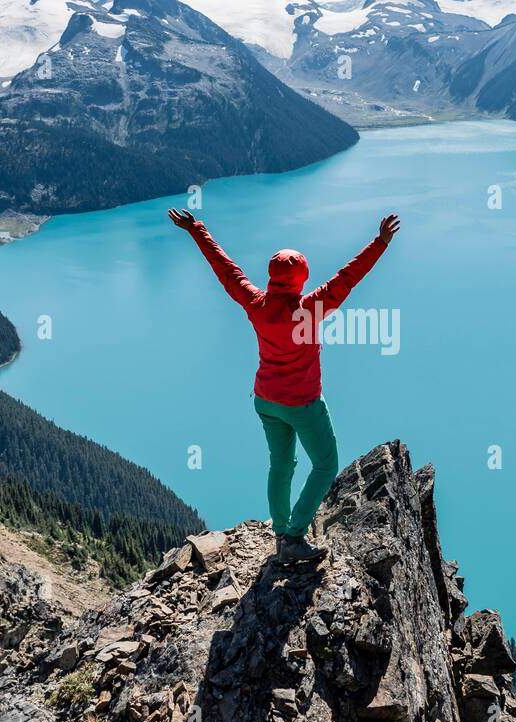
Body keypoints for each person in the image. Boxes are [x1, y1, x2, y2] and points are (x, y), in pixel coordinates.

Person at [168, 207, 400, 563]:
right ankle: (294, 535)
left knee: (281, 465)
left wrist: (196, 229)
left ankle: (281, 531)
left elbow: (226, 270)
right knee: (325, 464)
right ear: (301, 279)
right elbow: (348, 278)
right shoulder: (310, 308)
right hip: (303, 404)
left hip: (266, 400)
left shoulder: (256, 304)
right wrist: (380, 242)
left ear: (271, 276)